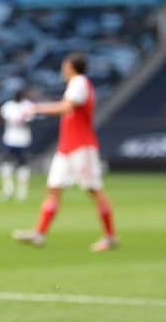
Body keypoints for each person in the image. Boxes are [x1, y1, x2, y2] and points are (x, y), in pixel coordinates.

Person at [12, 53, 118, 252]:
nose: (62, 70)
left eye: (64, 66)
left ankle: (110, 237)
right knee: (53, 188)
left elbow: (66, 107)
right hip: (67, 146)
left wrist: (36, 108)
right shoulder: (76, 85)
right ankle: (39, 233)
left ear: (71, 67)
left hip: (81, 146)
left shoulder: (80, 82)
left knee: (93, 190)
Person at [0, 89, 35, 201]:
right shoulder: (8, 106)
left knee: (22, 165)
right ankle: (8, 189)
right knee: (5, 164)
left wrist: (22, 121)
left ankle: (22, 192)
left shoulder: (28, 105)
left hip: (23, 139)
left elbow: (30, 120)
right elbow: (2, 118)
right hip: (10, 139)